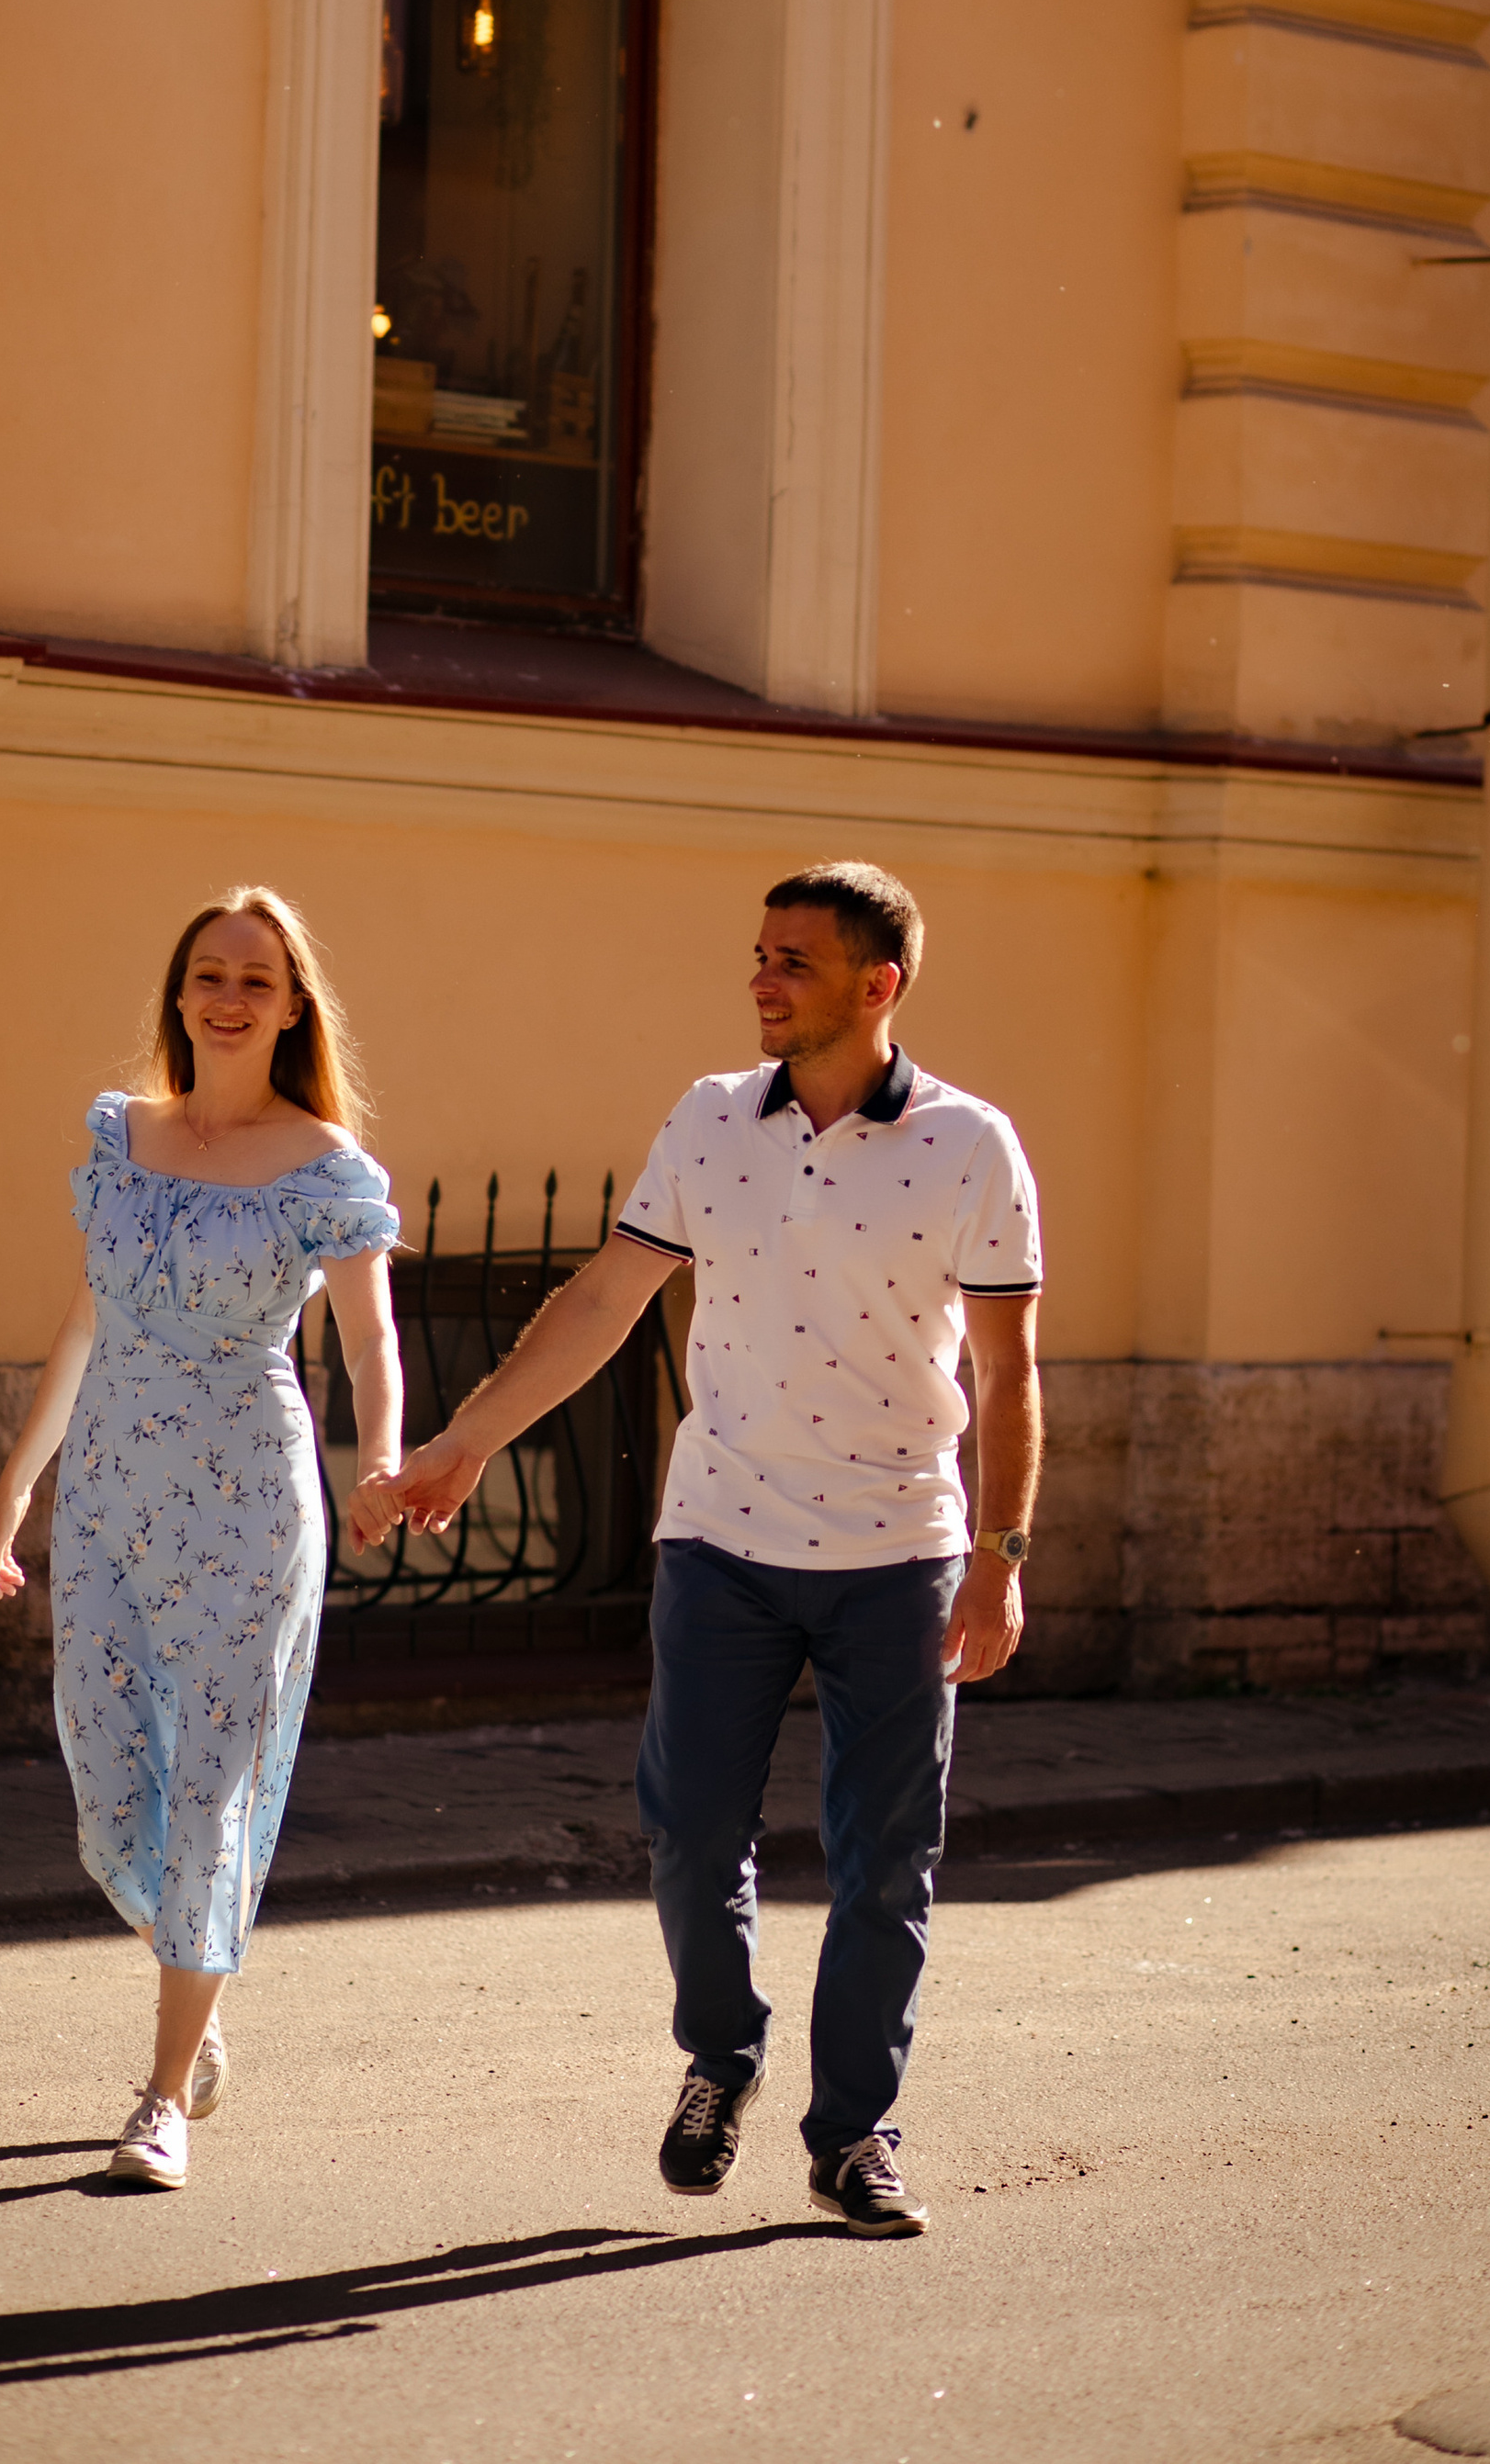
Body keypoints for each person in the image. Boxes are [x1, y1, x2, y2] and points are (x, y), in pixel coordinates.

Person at [372, 860, 1041, 2239]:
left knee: (884, 1860)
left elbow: (1012, 1370)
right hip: (721, 1539)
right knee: (687, 1832)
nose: (760, 978)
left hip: (898, 1550)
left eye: (792, 960)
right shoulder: (709, 1120)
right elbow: (608, 1297)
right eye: (758, 954)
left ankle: (853, 2133)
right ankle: (722, 2053)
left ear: (879, 983)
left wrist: (1001, 1553)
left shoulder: (972, 1146)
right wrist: (472, 1438)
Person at [0, 886, 404, 2191]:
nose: (229, 995)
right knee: (115, 1777)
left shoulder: (325, 1163)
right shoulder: (123, 1134)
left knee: (213, 1784)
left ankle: (160, 2093)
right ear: (179, 993)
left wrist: (380, 1458)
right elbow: (85, 1322)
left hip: (248, 1493)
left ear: (289, 1006)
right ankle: (198, 1996)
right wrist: (14, 1492)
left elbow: (372, 1337)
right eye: (209, 973)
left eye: (257, 980)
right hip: (108, 1490)